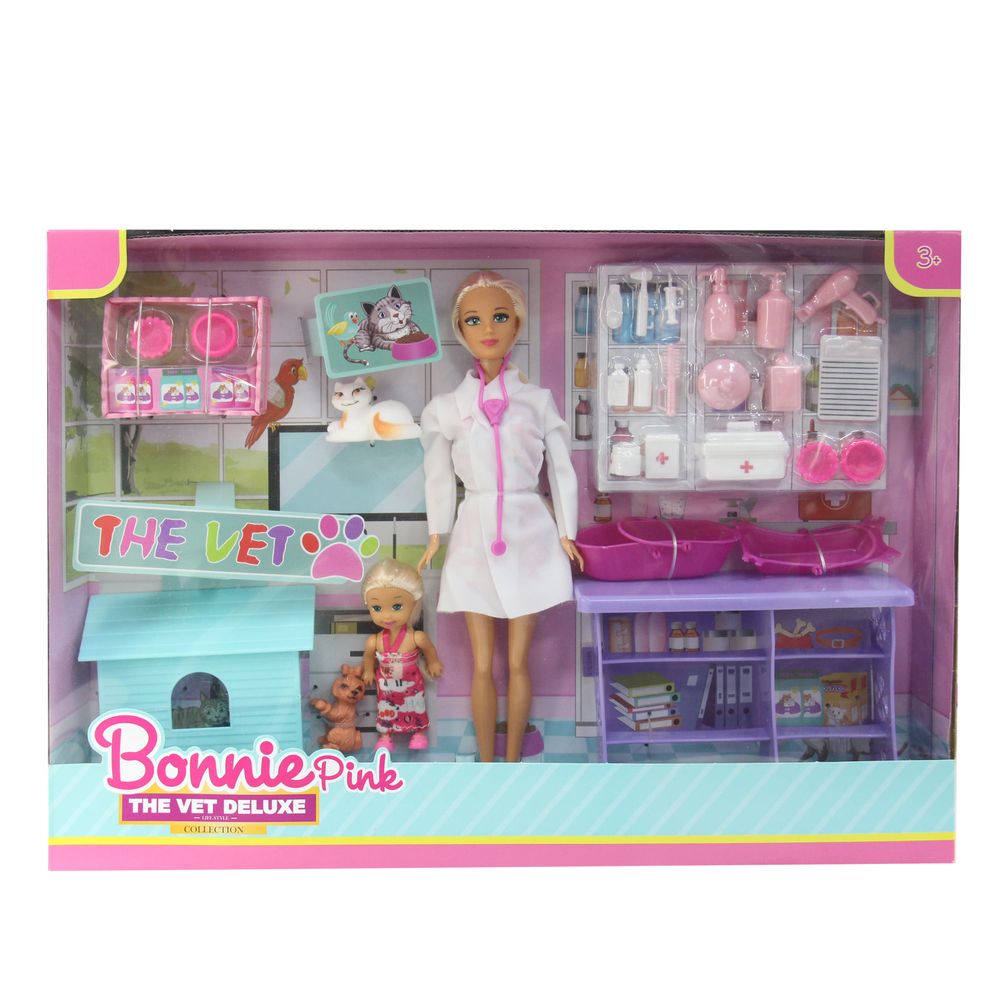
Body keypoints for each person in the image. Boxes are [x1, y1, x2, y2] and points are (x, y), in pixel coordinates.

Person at [418, 271, 583, 762]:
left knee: (517, 662)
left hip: (530, 530)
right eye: (473, 320)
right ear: (460, 330)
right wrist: (437, 531)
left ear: (517, 325)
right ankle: (488, 765)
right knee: (481, 664)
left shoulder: (536, 401)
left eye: (499, 317)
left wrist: (567, 531)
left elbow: (563, 468)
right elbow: (437, 476)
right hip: (474, 530)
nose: (487, 329)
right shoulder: (446, 409)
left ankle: (512, 762)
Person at [360, 559, 444, 752]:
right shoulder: (375, 641)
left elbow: (429, 650)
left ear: (414, 604)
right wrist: (368, 671)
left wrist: (433, 662)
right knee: (385, 710)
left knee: (416, 707)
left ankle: (418, 733)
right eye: (377, 608)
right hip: (386, 688)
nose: (387, 616)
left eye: (397, 606)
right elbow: (368, 657)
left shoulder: (416, 637)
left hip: (411, 687)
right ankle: (386, 736)